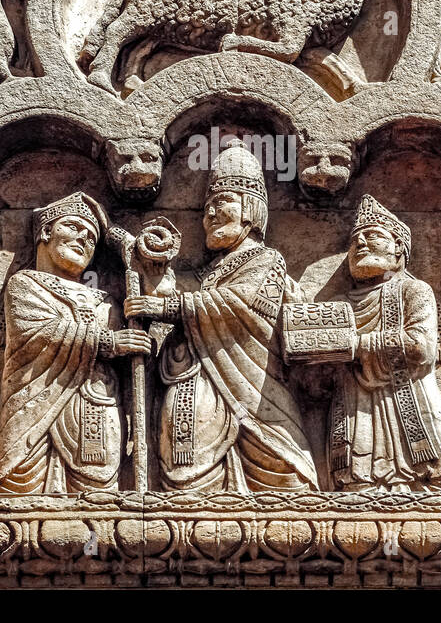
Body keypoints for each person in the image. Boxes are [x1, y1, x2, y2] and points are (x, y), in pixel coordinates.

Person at [127, 140, 318, 491]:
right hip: (197, 386)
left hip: (256, 389)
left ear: (251, 209)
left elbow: (239, 304)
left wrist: (167, 307)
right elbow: (177, 290)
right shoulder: (208, 273)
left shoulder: (267, 260)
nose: (211, 214)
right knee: (187, 486)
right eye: (206, 208)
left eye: (223, 202)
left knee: (287, 481)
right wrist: (152, 267)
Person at [0, 192, 150, 493]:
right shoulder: (25, 284)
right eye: (73, 226)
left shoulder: (108, 301)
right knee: (21, 495)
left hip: (97, 408)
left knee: (99, 497)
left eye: (91, 236)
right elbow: (37, 334)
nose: (83, 238)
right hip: (35, 409)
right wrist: (110, 342)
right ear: (45, 231)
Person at [330, 195, 441, 491]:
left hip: (409, 398)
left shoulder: (413, 290)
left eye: (373, 236)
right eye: (355, 241)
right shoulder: (337, 305)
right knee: (355, 485)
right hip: (355, 404)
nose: (361, 244)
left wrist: (357, 345)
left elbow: (421, 346)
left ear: (399, 250)